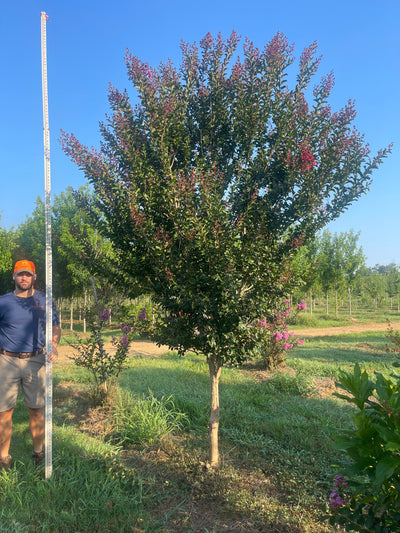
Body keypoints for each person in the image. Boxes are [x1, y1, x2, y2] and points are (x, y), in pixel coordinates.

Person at [0, 260, 61, 472]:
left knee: (36, 410)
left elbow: (55, 326)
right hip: (6, 360)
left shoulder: (44, 300)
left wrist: (53, 344)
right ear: (14, 277)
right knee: (3, 412)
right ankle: (3, 459)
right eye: (20, 274)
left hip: (36, 360)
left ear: (34, 277)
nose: (23, 278)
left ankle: (38, 453)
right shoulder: (3, 302)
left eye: (28, 274)